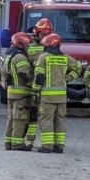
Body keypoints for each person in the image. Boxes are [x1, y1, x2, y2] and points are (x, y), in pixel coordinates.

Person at [30, 32, 80, 153]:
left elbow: (40, 77)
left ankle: (47, 146)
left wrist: (35, 91)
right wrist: (67, 78)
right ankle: (59, 146)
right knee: (60, 120)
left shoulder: (43, 57)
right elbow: (79, 67)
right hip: (62, 97)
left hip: (47, 98)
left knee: (46, 120)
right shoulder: (65, 57)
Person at [3, 32, 35, 151]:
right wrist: (33, 84)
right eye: (27, 45)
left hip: (12, 92)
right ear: (22, 44)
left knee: (12, 118)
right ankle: (17, 144)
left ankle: (8, 143)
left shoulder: (9, 55)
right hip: (21, 93)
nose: (29, 47)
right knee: (20, 118)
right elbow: (24, 73)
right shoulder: (20, 57)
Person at [24, 17, 54, 146]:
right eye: (42, 34)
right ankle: (30, 141)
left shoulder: (53, 48)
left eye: (47, 34)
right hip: (32, 85)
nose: (44, 37)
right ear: (36, 33)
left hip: (47, 88)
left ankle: (47, 143)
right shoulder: (29, 47)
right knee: (32, 115)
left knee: (46, 117)